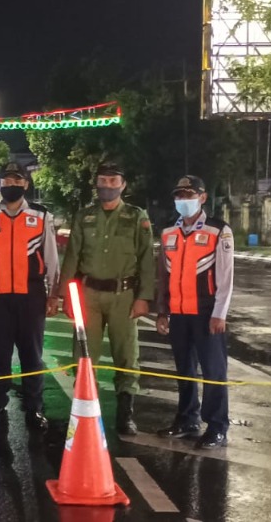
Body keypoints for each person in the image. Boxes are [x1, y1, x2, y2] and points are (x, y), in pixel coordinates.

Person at [49, 162, 155, 435]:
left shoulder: (136, 216)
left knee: (126, 355)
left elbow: (146, 259)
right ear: (96, 183)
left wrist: (144, 297)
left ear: (123, 185)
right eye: (103, 181)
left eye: (113, 181)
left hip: (124, 295)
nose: (107, 186)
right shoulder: (84, 217)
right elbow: (72, 257)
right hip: (88, 295)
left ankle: (125, 414)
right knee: (83, 355)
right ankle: (85, 411)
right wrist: (65, 296)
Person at [0, 163, 58, 431]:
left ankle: (34, 409)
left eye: (17, 180)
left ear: (26, 185)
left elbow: (52, 258)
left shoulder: (40, 215)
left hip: (31, 297)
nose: (11, 185)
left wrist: (54, 294)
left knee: (32, 355)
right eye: (7, 180)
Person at [155, 175, 234, 449]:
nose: (183, 200)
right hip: (178, 313)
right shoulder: (169, 232)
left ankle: (217, 427)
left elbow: (225, 277)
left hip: (206, 313)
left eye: (189, 195)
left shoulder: (218, 230)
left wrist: (220, 313)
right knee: (184, 370)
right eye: (179, 195)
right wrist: (162, 311)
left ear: (202, 197)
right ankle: (187, 419)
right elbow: (163, 276)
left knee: (213, 371)